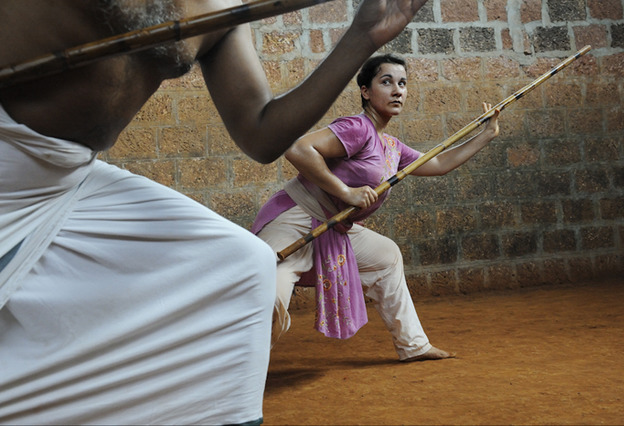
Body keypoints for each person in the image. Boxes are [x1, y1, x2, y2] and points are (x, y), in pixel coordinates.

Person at [0, 1, 429, 424]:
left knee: (244, 265)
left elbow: (262, 135)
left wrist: (363, 36)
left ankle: (229, 417)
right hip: (7, 157)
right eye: (387, 82)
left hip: (71, 173)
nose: (397, 90)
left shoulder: (224, 9)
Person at [252, 54, 500, 361]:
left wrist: (485, 135)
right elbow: (298, 147)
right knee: (268, 293)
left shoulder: (391, 147)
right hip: (296, 218)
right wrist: (346, 192)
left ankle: (413, 345)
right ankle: (235, 371)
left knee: (386, 256)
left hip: (334, 227)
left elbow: (437, 163)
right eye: (387, 82)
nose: (397, 90)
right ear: (365, 91)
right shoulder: (358, 128)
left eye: (403, 84)